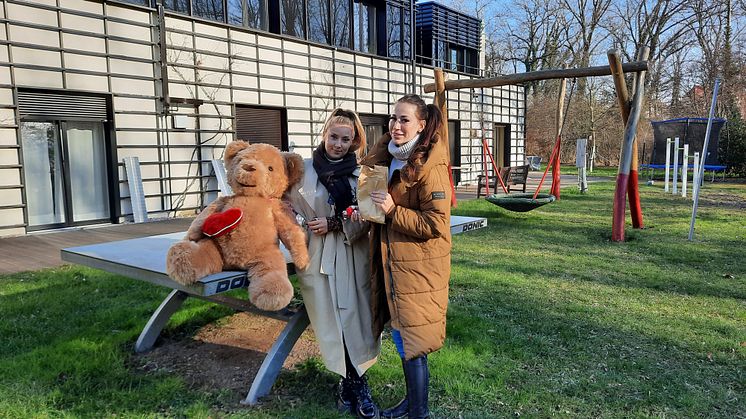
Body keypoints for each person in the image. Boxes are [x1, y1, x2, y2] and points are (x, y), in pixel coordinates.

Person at [362, 94, 451, 419]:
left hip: (418, 267)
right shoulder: (385, 158)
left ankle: (419, 413)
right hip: (390, 263)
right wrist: (366, 211)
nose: (396, 126)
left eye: (404, 120)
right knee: (403, 335)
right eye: (393, 118)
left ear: (422, 124)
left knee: (412, 338)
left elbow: (437, 223)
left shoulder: (431, 167)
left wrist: (392, 211)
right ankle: (412, 405)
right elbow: (374, 209)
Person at [287, 108, 380, 419]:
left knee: (358, 321)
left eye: (346, 139)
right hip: (317, 258)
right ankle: (347, 382)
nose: (338, 144)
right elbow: (284, 206)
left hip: (353, 256)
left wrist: (337, 222)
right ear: (324, 134)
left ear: (355, 142)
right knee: (331, 324)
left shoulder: (365, 174)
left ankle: (358, 383)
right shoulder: (301, 171)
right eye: (334, 137)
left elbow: (371, 218)